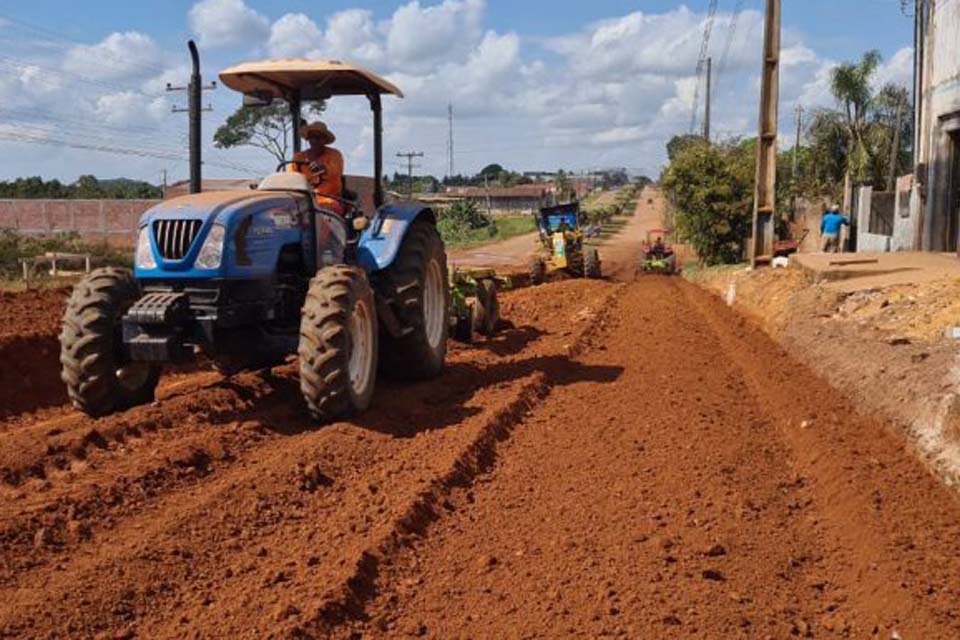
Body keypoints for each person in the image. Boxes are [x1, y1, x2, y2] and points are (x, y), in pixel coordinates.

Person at [289, 121, 345, 214]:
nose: (314, 141)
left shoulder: (334, 155)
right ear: (308, 139)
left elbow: (335, 171)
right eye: (311, 137)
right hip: (303, 199)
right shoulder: (299, 157)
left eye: (318, 137)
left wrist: (323, 168)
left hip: (327, 198)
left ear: (324, 140)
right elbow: (292, 178)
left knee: (329, 206)